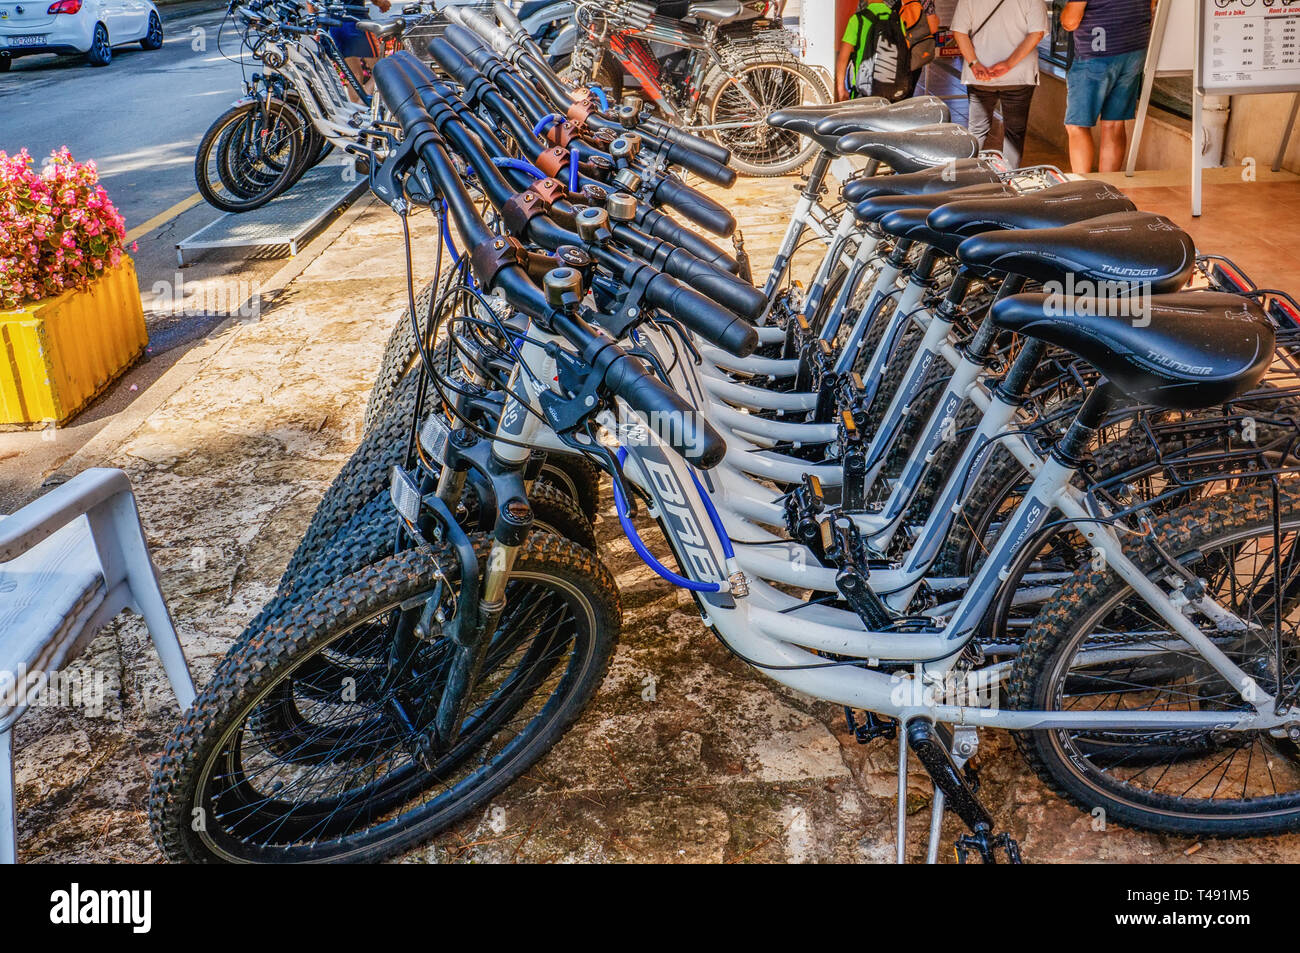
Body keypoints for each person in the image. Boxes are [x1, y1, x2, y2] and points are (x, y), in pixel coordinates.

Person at [950, 0, 1048, 170]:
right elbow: (1037, 33)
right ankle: (1008, 177)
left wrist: (974, 63)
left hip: (980, 76)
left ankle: (969, 175)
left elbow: (959, 32)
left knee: (977, 129)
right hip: (1019, 75)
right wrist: (1008, 64)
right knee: (1014, 133)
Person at [1060, 0, 1152, 173]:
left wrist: (1063, 17)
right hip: (1134, 49)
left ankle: (1082, 186)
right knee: (1114, 123)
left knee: (1077, 125)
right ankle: (1108, 187)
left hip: (1096, 52)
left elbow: (1071, 21)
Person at [329, 0, 393, 100]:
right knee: (381, 70)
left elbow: (310, 2)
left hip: (334, 23)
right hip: (356, 22)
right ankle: (362, 104)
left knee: (355, 75)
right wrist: (382, 3)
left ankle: (358, 111)